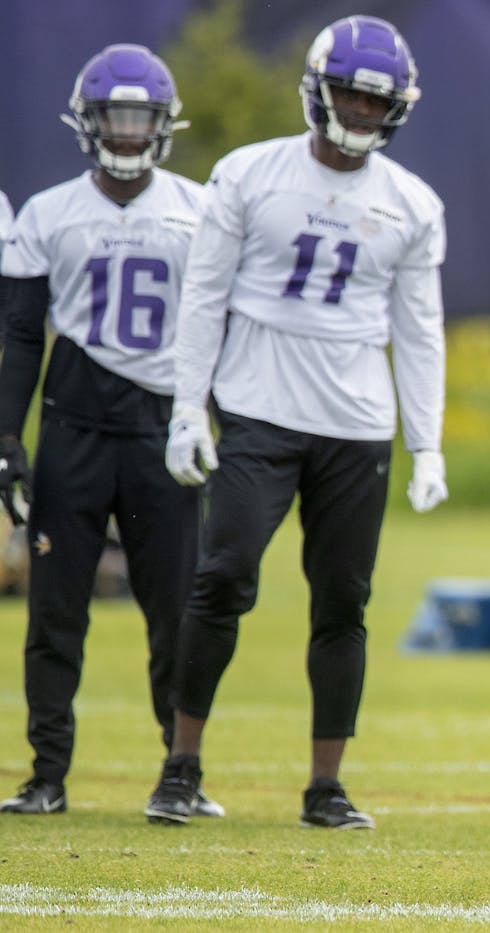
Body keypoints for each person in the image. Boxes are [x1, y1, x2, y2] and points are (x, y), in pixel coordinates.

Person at [142, 14, 448, 830]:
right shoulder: (248, 173)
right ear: (317, 89)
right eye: (347, 92)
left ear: (398, 109)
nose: (358, 111)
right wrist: (187, 406)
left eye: (374, 101)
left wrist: (427, 442)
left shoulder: (413, 203)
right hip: (258, 408)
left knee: (343, 600)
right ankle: (180, 764)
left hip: (354, 423)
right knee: (222, 577)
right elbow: (204, 295)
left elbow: (419, 328)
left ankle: (325, 784)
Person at [0, 44, 223, 818]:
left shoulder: (200, 208)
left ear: (162, 126)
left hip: (164, 426)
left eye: (140, 119)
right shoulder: (48, 213)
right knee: (55, 609)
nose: (127, 134)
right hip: (75, 424)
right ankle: (46, 772)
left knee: (175, 611)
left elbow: (221, 325)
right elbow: (24, 334)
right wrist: (6, 433)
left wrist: (216, 418)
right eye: (115, 118)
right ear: (87, 122)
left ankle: (180, 771)